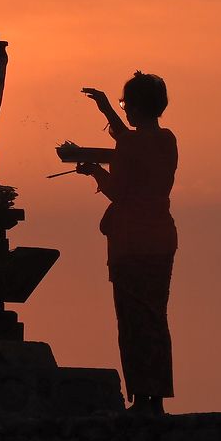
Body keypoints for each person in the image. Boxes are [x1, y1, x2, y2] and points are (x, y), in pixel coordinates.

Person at [76, 72, 178, 415]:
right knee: (154, 317)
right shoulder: (167, 140)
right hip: (161, 241)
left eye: (124, 104)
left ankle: (142, 397)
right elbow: (131, 144)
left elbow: (119, 189)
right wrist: (107, 109)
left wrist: (95, 172)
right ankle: (157, 397)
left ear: (134, 106)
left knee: (133, 323)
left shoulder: (134, 144)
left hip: (131, 245)